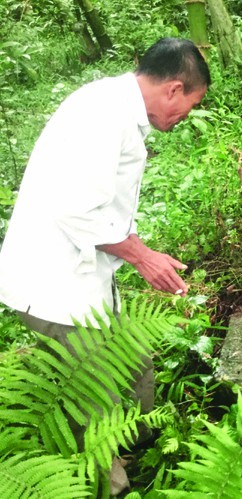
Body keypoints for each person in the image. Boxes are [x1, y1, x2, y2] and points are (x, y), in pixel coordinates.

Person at [0, 37, 210, 494]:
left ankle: (152, 454)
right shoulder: (103, 114)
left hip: (84, 278)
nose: (184, 117)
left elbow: (99, 208)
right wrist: (143, 257)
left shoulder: (115, 107)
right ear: (174, 89)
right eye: (189, 106)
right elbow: (76, 209)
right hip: (55, 284)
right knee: (90, 404)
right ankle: (108, 488)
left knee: (135, 371)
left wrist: (140, 254)